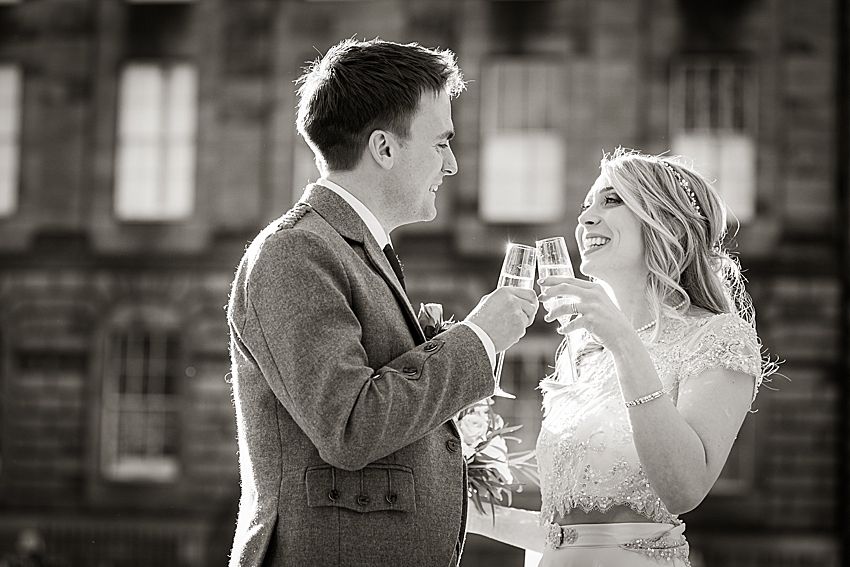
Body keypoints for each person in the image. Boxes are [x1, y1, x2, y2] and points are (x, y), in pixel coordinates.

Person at [226, 38, 539, 567]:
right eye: (441, 143)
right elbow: (350, 426)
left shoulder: (352, 249)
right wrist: (479, 340)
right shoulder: (295, 251)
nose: (455, 164)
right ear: (385, 149)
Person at [466, 148, 776, 566]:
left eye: (610, 200)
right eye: (585, 206)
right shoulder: (579, 349)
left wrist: (622, 340)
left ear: (665, 220)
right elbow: (565, 535)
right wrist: (464, 506)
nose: (585, 218)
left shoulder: (718, 337)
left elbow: (684, 489)